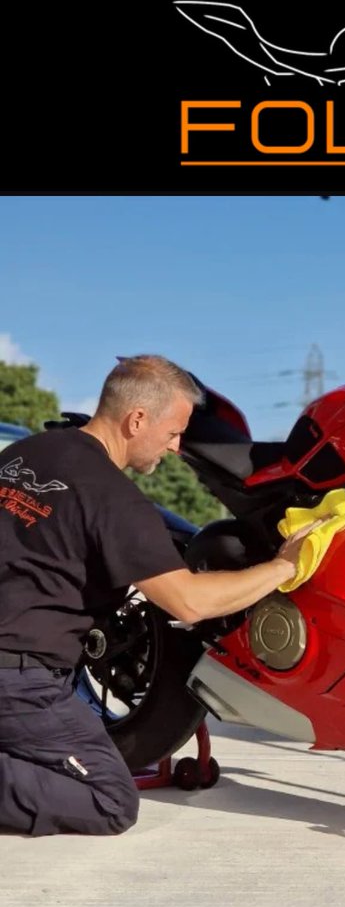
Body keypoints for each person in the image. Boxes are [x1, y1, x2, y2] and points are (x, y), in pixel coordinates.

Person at [0, 354, 318, 838]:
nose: (174, 448)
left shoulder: (24, 455)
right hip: (18, 684)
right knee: (109, 800)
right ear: (137, 420)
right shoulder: (115, 500)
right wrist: (282, 567)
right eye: (173, 433)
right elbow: (188, 602)